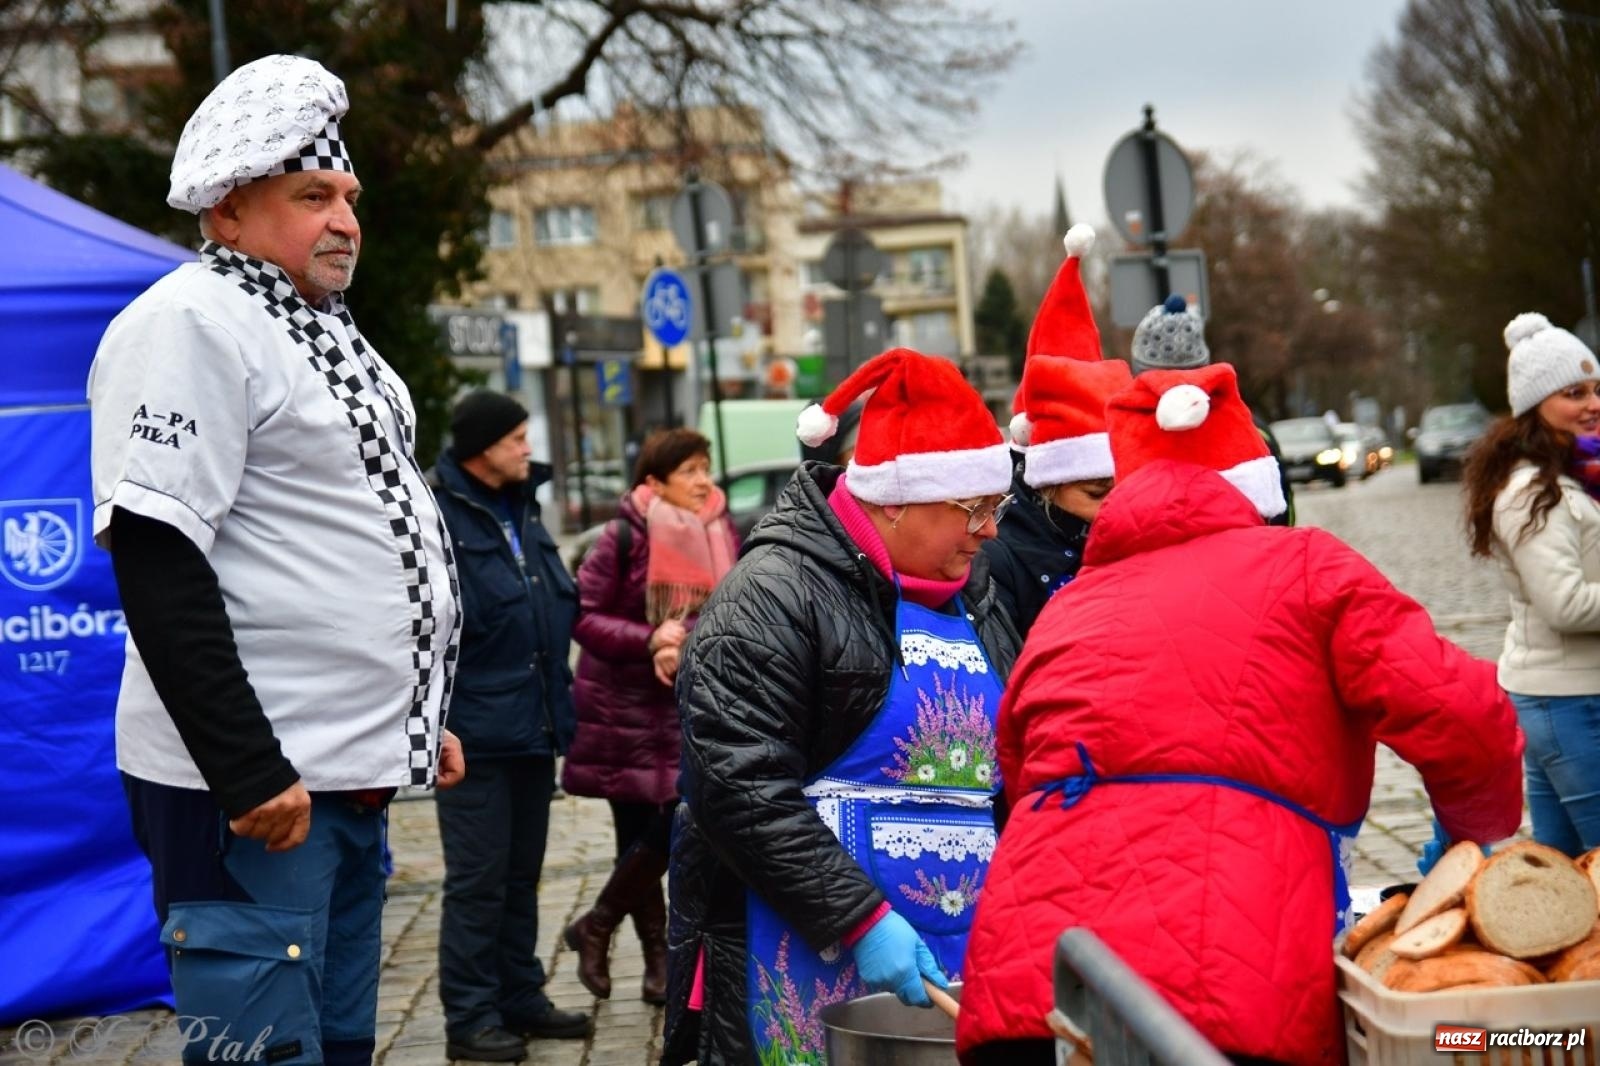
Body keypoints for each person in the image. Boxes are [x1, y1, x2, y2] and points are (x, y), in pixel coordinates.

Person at [956, 364, 1524, 1066]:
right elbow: (1465, 712)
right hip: (1229, 990)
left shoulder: (1070, 606)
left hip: (1034, 992)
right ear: (1258, 484)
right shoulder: (1307, 565)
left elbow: (1016, 776)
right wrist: (1474, 841)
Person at [87, 55, 464, 1066]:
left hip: (341, 777)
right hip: (255, 793)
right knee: (263, 1054)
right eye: (311, 196)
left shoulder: (322, 332)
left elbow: (339, 538)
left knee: (335, 1046)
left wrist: (416, 719)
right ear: (227, 213)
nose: (345, 218)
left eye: (348, 195)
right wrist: (247, 769)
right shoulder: (188, 321)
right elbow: (161, 560)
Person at [661, 349, 1022, 1066]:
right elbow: (738, 785)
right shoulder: (771, 596)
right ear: (894, 497)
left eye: (997, 506)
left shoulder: (979, 597)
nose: (990, 531)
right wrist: (860, 918)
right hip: (797, 949)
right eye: (973, 509)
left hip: (960, 947)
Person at [430, 391, 590, 1060]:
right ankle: (470, 1017)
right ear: (481, 446)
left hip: (532, 722)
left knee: (522, 874)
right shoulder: (437, 511)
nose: (528, 446)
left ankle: (520, 994)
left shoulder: (521, 505)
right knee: (477, 881)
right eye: (516, 436)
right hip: (473, 734)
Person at [560, 428, 739, 1004]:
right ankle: (660, 964)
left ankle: (597, 923)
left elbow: (733, 604)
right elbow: (583, 616)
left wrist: (681, 637)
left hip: (691, 701)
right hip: (626, 710)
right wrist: (648, 638)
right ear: (654, 482)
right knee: (637, 834)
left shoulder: (720, 526)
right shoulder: (622, 534)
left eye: (704, 466)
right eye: (687, 470)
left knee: (676, 825)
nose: (702, 479)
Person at [1462, 312, 1600, 857]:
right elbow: (1565, 604)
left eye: (1596, 389)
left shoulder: (1577, 478)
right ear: (1535, 404)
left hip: (1564, 697)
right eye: (1574, 393)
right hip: (1568, 702)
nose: (1592, 403)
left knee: (1561, 873)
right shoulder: (1531, 491)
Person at [986, 225, 1132, 636]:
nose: (1115, 507)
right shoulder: (997, 560)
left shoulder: (1142, 541)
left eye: (1125, 488)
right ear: (1044, 486)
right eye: (1097, 493)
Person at [1131, 293, 1295, 526]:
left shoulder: (1123, 433)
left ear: (1138, 371)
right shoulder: (1252, 429)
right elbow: (1282, 513)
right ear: (1203, 363)